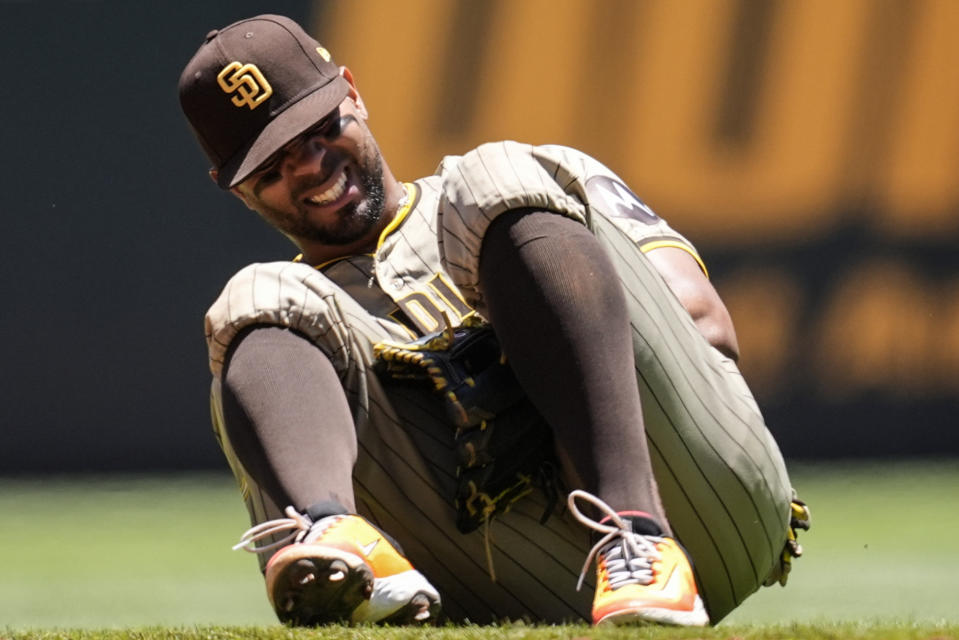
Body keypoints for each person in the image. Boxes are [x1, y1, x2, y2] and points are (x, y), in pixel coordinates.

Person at [178, 14, 807, 628]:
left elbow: (705, 330)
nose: (309, 166)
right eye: (272, 166)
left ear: (353, 92)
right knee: (254, 297)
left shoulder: (536, 181)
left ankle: (637, 534)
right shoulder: (287, 336)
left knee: (491, 171)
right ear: (235, 188)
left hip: (700, 495)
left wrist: (529, 382)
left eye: (319, 130)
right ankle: (339, 537)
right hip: (516, 575)